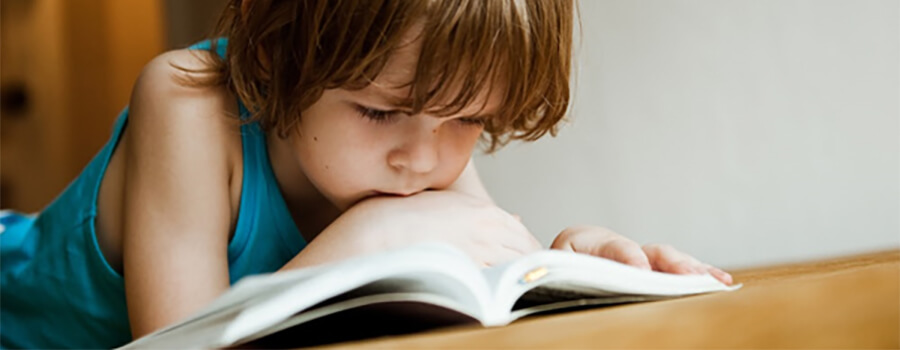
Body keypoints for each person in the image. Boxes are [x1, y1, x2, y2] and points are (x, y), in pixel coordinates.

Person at [0, 0, 732, 348]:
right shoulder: (188, 102)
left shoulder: (422, 143)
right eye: (380, 113)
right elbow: (178, 345)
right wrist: (370, 234)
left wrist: (573, 262)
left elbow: (488, 286)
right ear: (272, 59)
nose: (424, 159)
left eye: (467, 119)